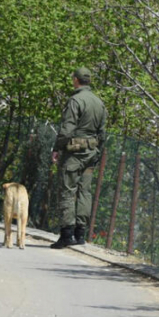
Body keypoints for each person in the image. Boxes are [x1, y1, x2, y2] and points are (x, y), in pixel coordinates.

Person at [50, 67, 107, 249]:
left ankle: (67, 234)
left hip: (74, 154)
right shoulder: (99, 102)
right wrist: (97, 151)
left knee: (68, 190)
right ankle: (80, 234)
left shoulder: (75, 100)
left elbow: (67, 129)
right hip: (91, 152)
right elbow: (103, 133)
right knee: (85, 191)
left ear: (76, 80)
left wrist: (57, 147)